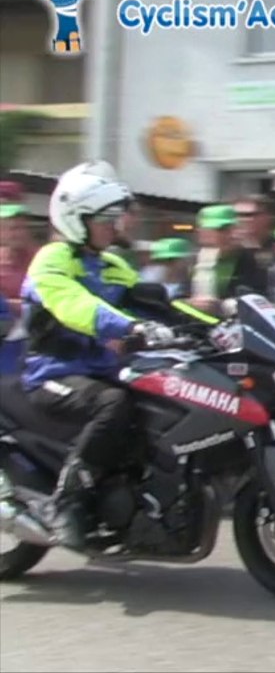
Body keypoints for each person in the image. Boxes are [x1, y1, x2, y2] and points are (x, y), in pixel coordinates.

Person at [20, 164, 219, 549]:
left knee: (155, 403)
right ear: (79, 220)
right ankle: (66, 502)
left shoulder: (112, 265)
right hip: (52, 375)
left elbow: (158, 302)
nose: (115, 226)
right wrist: (129, 328)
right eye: (106, 219)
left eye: (116, 217)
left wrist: (214, 326)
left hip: (103, 371)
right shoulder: (53, 260)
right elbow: (76, 305)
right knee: (114, 403)